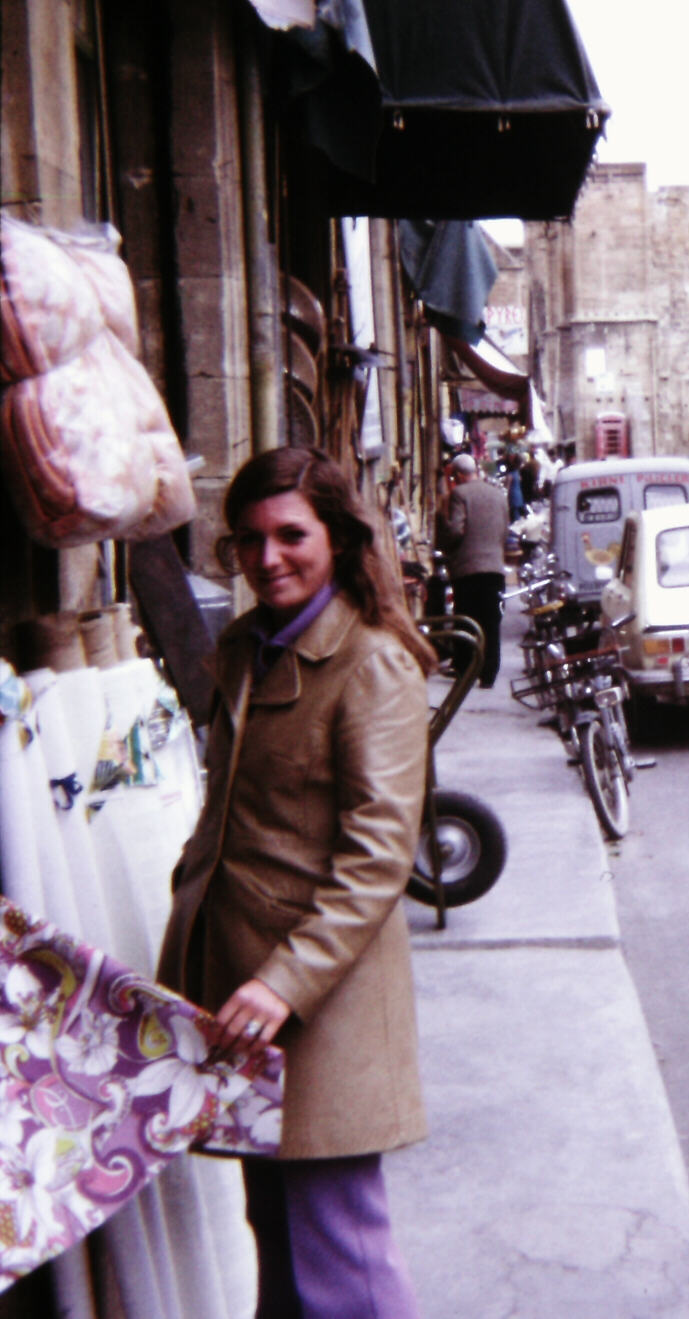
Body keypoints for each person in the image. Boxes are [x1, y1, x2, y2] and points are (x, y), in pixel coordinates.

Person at [157, 447, 433, 1319]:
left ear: (338, 539)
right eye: (247, 539)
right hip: (238, 997)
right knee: (273, 1236)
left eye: (290, 535)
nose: (267, 557)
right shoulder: (243, 646)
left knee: (341, 1258)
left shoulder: (372, 662)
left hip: (321, 1008)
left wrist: (285, 980)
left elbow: (378, 857)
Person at [438, 452, 510, 688]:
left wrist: (441, 523)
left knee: (467, 620)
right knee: (491, 621)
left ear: (458, 475)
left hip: (468, 569)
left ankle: (465, 669)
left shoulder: (459, 494)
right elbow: (504, 530)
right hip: (494, 569)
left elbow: (456, 530)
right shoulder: (498, 494)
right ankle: (489, 673)